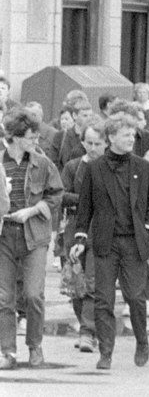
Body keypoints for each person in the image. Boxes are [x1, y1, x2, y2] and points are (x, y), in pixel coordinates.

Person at [70, 113, 149, 371]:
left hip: (134, 242)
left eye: (133, 135)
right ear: (111, 137)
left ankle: (142, 342)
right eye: (126, 135)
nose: (132, 139)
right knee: (103, 299)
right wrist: (80, 238)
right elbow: (84, 207)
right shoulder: (95, 168)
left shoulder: (143, 168)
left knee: (135, 296)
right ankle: (106, 352)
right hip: (105, 243)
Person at [0, 108, 64, 370]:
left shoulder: (42, 163)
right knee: (4, 297)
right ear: (14, 137)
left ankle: (35, 346)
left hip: (34, 234)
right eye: (30, 137)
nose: (35, 143)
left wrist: (33, 210)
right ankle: (7, 351)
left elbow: (56, 195)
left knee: (34, 294)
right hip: (4, 234)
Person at [60, 116, 107, 353]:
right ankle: (85, 325)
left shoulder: (110, 167)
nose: (93, 147)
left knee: (93, 283)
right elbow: (61, 194)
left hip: (100, 230)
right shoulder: (73, 166)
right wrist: (86, 201)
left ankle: (87, 332)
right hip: (74, 229)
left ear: (106, 143)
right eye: (89, 142)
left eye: (98, 143)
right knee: (75, 284)